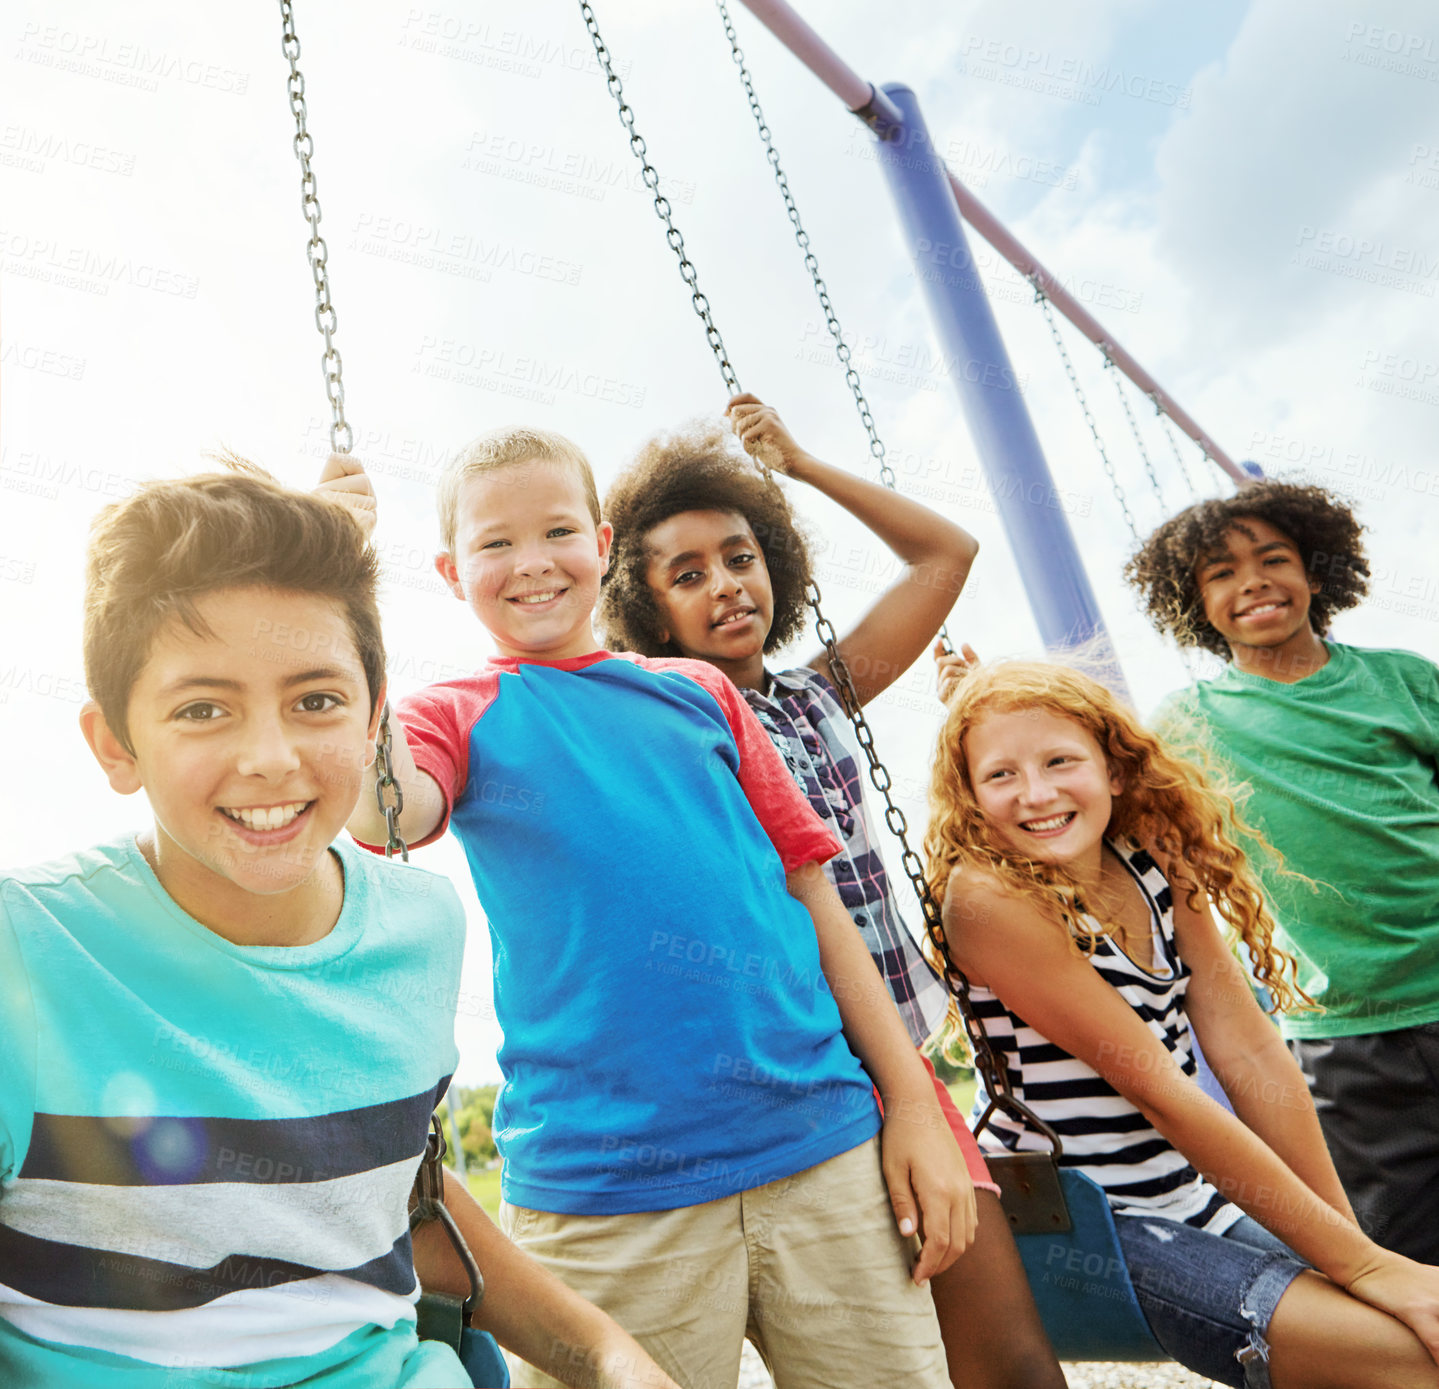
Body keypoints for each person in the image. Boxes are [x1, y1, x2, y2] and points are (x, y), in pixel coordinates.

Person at [0, 462, 680, 1389]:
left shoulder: (421, 924)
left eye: (315, 699)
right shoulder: (27, 954)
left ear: (371, 718)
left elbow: (398, 1195)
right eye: (204, 709)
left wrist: (604, 1350)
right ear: (116, 743)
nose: (270, 760)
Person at [331, 429, 969, 1389]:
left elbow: (813, 895)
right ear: (448, 569)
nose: (533, 562)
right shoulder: (453, 711)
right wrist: (345, 591)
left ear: (601, 541)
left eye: (556, 531)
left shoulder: (703, 693)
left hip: (822, 1146)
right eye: (495, 543)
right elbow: (382, 810)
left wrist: (914, 1104)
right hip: (606, 1193)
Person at [598, 394, 1065, 1389]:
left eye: (739, 555)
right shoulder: (663, 729)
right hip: (799, 1084)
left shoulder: (818, 692)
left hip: (896, 1065)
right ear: (647, 609)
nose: (724, 585)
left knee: (1013, 1362)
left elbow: (946, 555)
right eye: (686, 575)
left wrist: (800, 467)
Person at [925, 654, 1439, 1389]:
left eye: (1059, 760)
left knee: (1406, 1315)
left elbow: (1251, 1050)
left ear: (1115, 769)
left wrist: (1355, 1249)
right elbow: (1162, 1090)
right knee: (1403, 1358)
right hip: (1087, 1222)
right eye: (1000, 774)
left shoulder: (1150, 858)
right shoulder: (987, 901)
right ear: (971, 797)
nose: (1035, 793)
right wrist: (1361, 1266)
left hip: (1186, 1195)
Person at [1125, 480, 1439, 1264]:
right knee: (1403, 1248)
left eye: (1273, 559)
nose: (1252, 581)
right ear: (1194, 604)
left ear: (1317, 574)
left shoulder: (1401, 681)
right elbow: (1105, 813)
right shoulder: (1184, 723)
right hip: (1342, 1032)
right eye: (1220, 573)